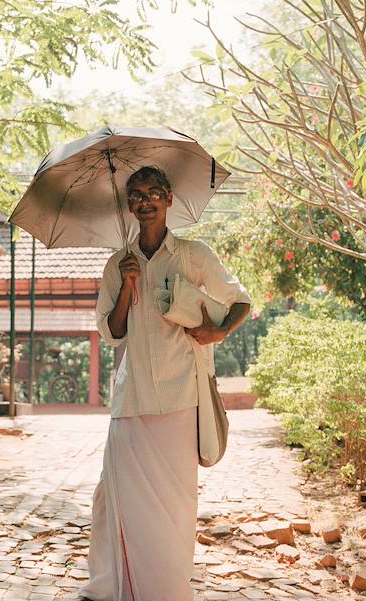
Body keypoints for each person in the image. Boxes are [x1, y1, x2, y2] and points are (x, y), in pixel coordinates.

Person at [79, 166, 251, 601]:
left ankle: (165, 592)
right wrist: (126, 286)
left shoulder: (193, 255)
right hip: (131, 397)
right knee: (115, 501)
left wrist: (218, 332)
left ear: (170, 199)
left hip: (180, 398)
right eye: (136, 194)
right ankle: (116, 589)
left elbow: (241, 299)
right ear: (129, 205)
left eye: (154, 192)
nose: (145, 200)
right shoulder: (118, 264)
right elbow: (111, 331)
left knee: (174, 509)